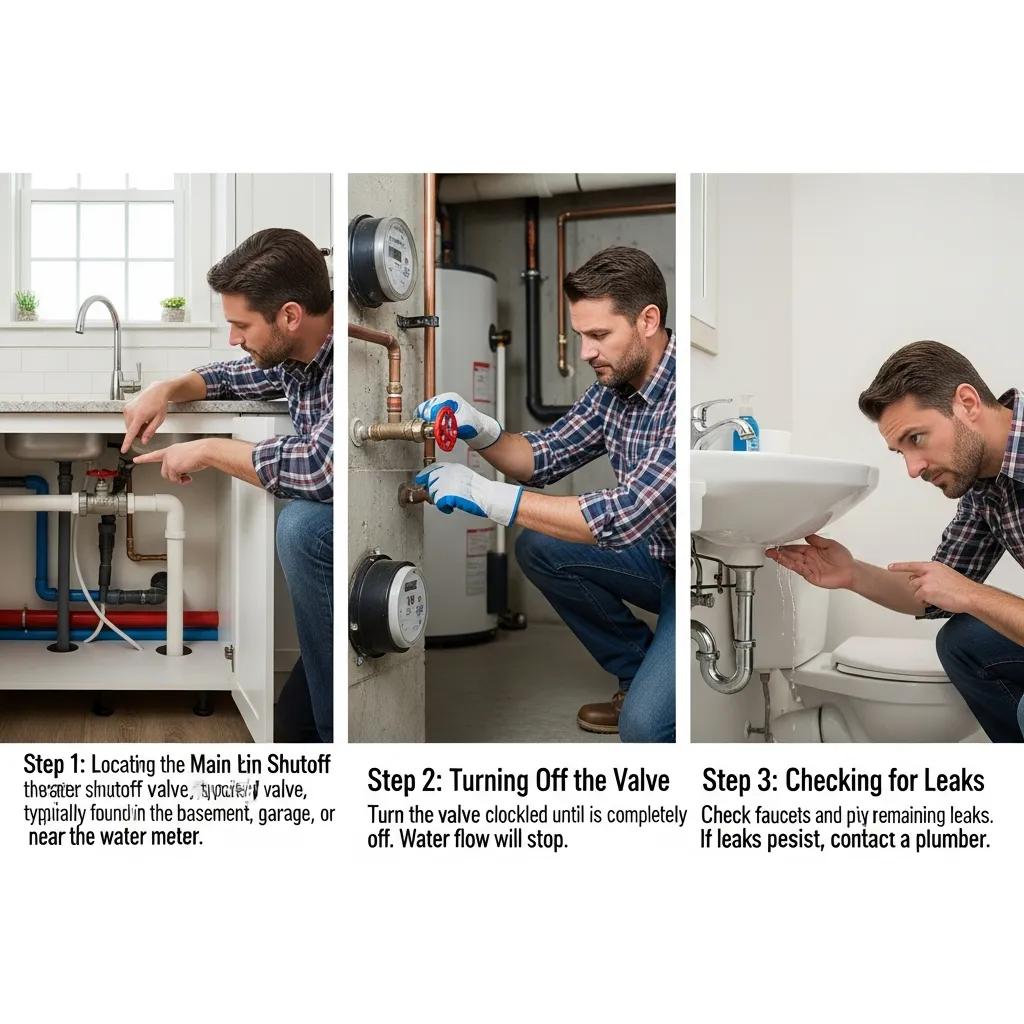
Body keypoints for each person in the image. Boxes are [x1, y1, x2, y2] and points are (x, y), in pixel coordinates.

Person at [414, 246, 675, 743]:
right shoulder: (613, 389)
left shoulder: (688, 396)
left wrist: (489, 497)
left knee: (645, 729)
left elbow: (624, 514)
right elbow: (545, 456)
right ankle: (638, 673)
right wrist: (481, 429)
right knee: (540, 547)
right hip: (656, 559)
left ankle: (654, 694)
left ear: (647, 321)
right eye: (581, 336)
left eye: (599, 335)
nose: (586, 353)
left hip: (695, 575)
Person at [122, 228, 333, 743]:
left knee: (301, 528)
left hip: (360, 522)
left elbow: (319, 468)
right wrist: (165, 387)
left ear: (289, 315)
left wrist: (209, 449)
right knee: (290, 733)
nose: (234, 338)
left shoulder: (345, 363)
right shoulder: (294, 358)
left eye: (241, 325)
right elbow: (228, 377)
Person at [767, 340, 1024, 743]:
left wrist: (972, 594)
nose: (913, 468)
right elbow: (935, 593)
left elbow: (961, 591)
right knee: (962, 642)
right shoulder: (984, 485)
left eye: (916, 439)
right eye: (899, 451)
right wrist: (851, 573)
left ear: (967, 403)